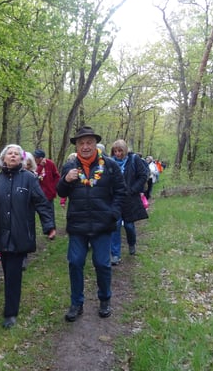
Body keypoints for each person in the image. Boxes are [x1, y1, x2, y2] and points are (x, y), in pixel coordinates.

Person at [0, 144, 56, 328]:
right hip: (1, 233)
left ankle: (10, 313)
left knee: (13, 274)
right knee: (7, 270)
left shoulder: (29, 179)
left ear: (21, 159)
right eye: (9, 153)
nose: (13, 156)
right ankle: (10, 307)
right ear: (3, 158)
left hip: (20, 234)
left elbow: (41, 203)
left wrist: (49, 226)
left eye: (16, 154)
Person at [57, 126, 126, 322]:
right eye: (81, 143)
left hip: (102, 225)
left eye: (89, 142)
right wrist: (66, 180)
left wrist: (113, 213)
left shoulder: (109, 166)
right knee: (75, 263)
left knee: (102, 264)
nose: (85, 146)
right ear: (76, 146)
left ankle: (105, 299)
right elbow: (60, 192)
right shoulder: (70, 166)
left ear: (96, 144)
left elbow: (121, 192)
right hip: (77, 225)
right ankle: (76, 303)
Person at [109, 140, 149, 265]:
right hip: (115, 199)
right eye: (115, 151)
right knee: (115, 225)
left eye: (120, 151)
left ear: (125, 150)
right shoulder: (110, 162)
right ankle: (115, 254)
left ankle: (132, 243)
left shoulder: (134, 160)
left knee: (129, 226)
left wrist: (133, 189)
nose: (117, 154)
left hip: (130, 199)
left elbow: (143, 176)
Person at [33, 149, 60, 215]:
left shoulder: (50, 163)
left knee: (50, 214)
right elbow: (34, 177)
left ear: (41, 158)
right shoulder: (33, 165)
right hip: (37, 194)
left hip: (48, 194)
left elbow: (57, 176)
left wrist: (54, 188)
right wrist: (41, 166)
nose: (34, 158)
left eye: (36, 157)